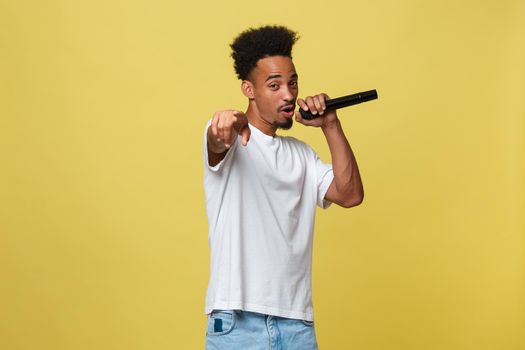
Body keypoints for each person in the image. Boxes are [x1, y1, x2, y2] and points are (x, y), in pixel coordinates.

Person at [203, 25, 364, 349]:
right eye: (274, 85)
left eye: (292, 83)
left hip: (297, 323)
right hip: (237, 322)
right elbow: (218, 138)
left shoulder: (302, 156)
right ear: (248, 89)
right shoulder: (230, 139)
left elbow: (350, 194)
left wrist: (331, 124)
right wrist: (226, 124)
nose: (289, 95)